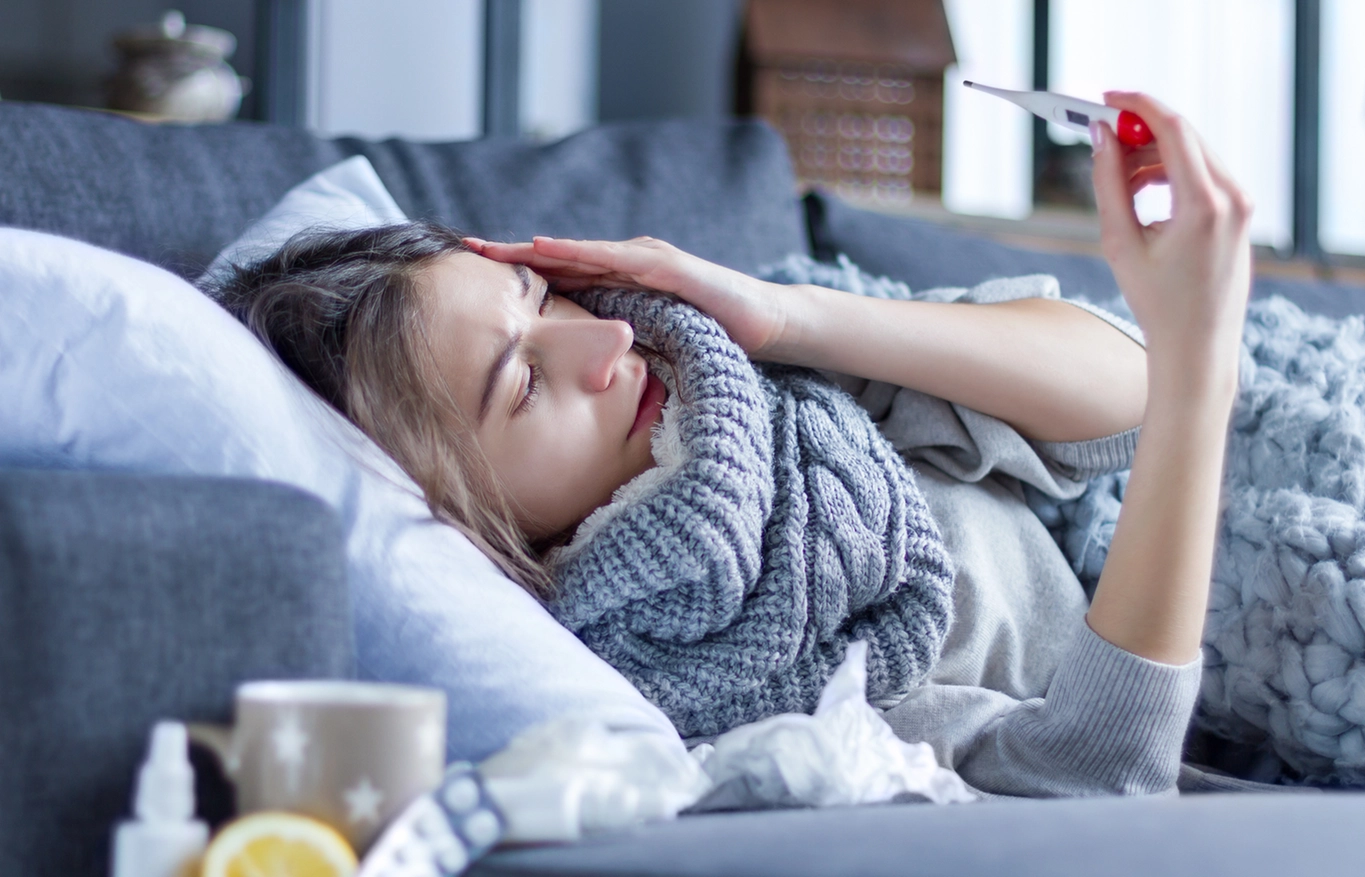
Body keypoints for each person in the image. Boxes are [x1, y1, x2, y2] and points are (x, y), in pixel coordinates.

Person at [217, 93, 1254, 797]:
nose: (606, 338)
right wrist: (1200, 362)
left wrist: (790, 317)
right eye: (524, 382)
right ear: (452, 511)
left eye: (541, 298)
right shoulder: (721, 687)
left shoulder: (736, 370)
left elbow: (1126, 395)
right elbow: (1094, 784)